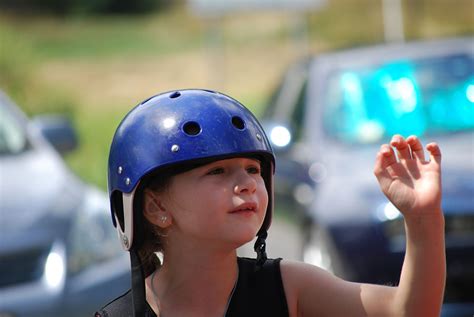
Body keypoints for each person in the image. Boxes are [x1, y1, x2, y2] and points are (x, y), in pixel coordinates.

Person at [95, 89, 445, 317]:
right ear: (156, 208)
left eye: (253, 169)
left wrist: (422, 217)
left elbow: (412, 311)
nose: (248, 183)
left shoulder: (289, 287)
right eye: (217, 171)